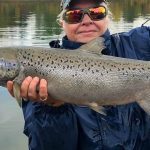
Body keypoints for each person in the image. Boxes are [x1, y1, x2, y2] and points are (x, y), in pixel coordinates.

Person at [7, 0, 150, 150]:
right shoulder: (35, 82)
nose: (87, 21)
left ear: (107, 17)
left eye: (96, 13)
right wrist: (52, 108)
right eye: (75, 15)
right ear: (62, 23)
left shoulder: (138, 43)